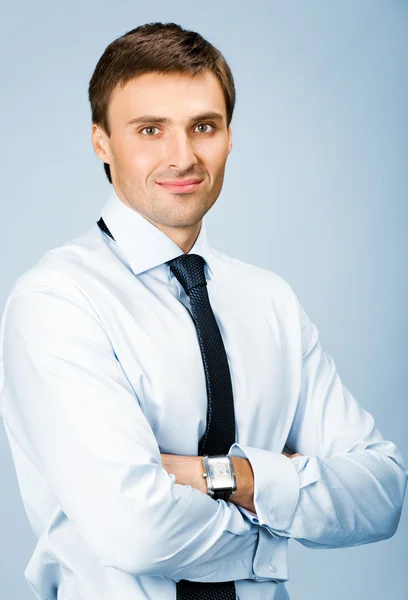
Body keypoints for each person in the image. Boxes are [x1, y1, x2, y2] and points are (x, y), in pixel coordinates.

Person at [0, 21, 407, 600]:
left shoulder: (270, 301)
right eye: (149, 129)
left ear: (230, 137)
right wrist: (278, 519)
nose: (182, 155)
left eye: (204, 127)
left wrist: (218, 474)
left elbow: (382, 493)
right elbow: (134, 529)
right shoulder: (57, 300)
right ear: (101, 142)